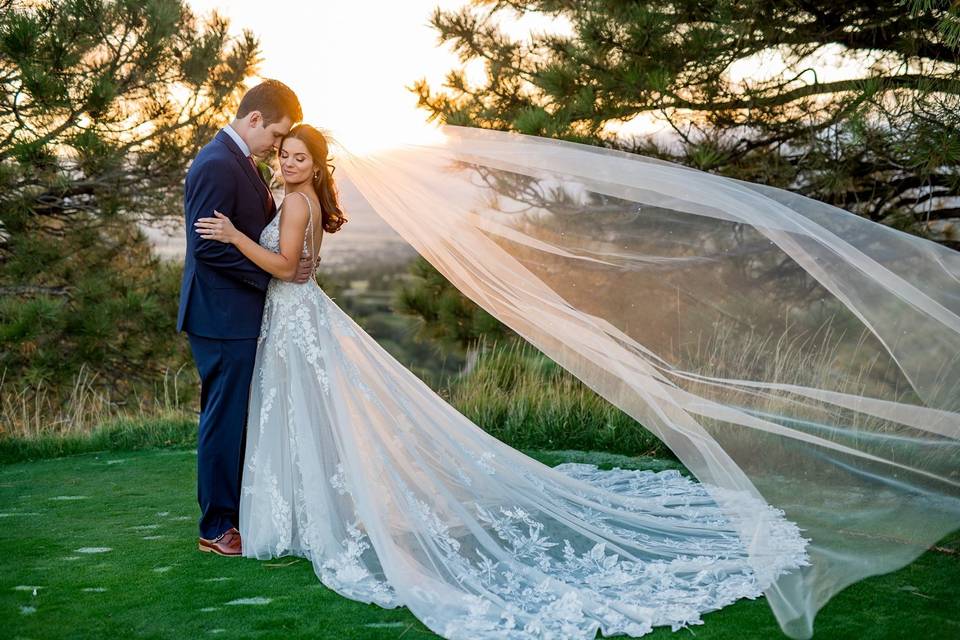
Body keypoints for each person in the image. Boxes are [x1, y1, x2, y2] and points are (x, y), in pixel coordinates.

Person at [194, 124, 810, 639]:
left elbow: (288, 269)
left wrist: (234, 235)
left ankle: (315, 518)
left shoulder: (298, 203)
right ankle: (307, 515)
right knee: (303, 415)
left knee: (309, 412)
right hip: (288, 322)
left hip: (295, 315)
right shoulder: (290, 195)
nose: (290, 162)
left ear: (316, 163)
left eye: (300, 157)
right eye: (284, 154)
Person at [177, 79, 314, 557]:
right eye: (276, 137)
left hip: (237, 312)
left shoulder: (241, 163)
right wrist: (272, 277)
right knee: (224, 418)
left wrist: (287, 263)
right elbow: (205, 248)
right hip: (220, 315)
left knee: (237, 417)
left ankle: (235, 516)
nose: (277, 148)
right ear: (254, 120)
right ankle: (216, 526)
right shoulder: (217, 163)